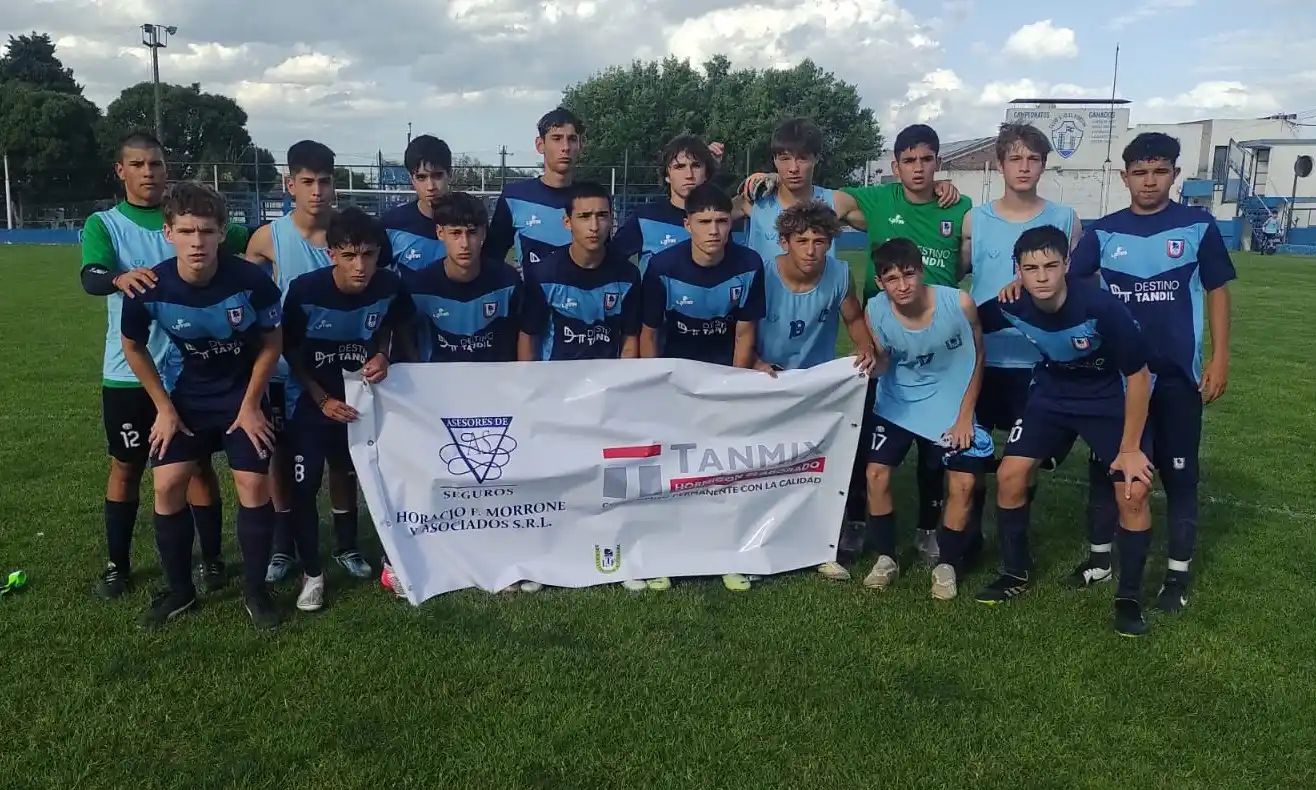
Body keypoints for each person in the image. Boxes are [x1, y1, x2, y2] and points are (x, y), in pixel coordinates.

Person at [1068, 132, 1236, 612]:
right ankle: (1100, 560)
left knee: (1180, 477)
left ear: (1174, 175)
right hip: (1119, 381)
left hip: (1178, 378)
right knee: (1108, 470)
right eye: (1140, 172)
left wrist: (1220, 357)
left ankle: (1177, 576)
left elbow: (1218, 291)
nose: (1149, 181)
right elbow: (1073, 286)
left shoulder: (1198, 225)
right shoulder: (1103, 231)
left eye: (1160, 171)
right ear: (1124, 177)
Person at [79, 131, 247, 600]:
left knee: (196, 469)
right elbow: (91, 277)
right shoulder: (105, 224)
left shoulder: (191, 218)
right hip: (129, 369)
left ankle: (211, 560)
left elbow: (247, 239)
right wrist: (118, 276)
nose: (148, 173)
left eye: (155, 164)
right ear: (121, 170)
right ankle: (118, 565)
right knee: (127, 466)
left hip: (189, 371)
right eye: (137, 165)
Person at [118, 182, 284, 630]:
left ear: (221, 233)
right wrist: (164, 409)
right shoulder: (149, 287)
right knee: (167, 484)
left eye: (206, 231)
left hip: (240, 395)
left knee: (253, 483)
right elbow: (132, 346)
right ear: (169, 232)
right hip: (187, 397)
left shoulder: (251, 280)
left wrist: (252, 404)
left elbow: (272, 341)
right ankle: (179, 590)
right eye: (187, 231)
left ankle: (255, 589)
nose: (197, 242)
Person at [977, 225, 1155, 637]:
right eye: (1030, 268)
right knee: (1009, 475)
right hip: (1051, 395)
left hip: (1107, 399)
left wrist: (1129, 448)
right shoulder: (1011, 303)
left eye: (1050, 266)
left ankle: (1128, 598)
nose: (1041, 276)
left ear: (1067, 266)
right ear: (1017, 271)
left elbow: (1140, 376)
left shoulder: (1101, 308)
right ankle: (1015, 572)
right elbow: (966, 317)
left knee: (1132, 490)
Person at [836, 124, 972, 568]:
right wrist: (774, 180)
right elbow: (817, 201)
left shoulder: (961, 208)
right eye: (909, 160)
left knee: (936, 453)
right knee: (868, 442)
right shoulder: (875, 201)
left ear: (938, 162)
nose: (918, 168)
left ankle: (929, 529)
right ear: (894, 167)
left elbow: (975, 256)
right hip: (886, 345)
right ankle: (858, 521)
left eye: (927, 159)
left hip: (942, 350)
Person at [246, 141, 371, 584]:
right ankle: (284, 547)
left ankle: (346, 544)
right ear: (289, 184)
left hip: (344, 371)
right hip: (287, 370)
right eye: (307, 182)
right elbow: (251, 294)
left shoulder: (350, 235)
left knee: (344, 461)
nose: (317, 191)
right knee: (283, 458)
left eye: (324, 182)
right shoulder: (267, 237)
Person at [395, 190, 529, 593]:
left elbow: (522, 335)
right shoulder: (418, 285)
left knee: (500, 479)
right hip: (439, 400)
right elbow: (402, 334)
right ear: (440, 234)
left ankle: (501, 557)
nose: (464, 243)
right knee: (441, 478)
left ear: (485, 234)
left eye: (472, 233)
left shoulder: (507, 281)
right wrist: (417, 380)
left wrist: (522, 385)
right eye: (455, 233)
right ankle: (435, 554)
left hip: (497, 398)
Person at [281, 207, 414, 612]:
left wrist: (382, 356)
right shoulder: (305, 290)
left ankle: (349, 547)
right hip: (314, 401)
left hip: (362, 400)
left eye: (369, 255)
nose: (361, 266)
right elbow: (290, 349)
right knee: (304, 485)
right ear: (332, 253)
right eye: (351, 255)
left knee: (359, 473)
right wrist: (322, 399)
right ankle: (312, 574)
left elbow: (391, 328)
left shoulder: (390, 286)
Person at [639, 183, 766, 592]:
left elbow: (746, 333)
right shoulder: (662, 266)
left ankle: (726, 554)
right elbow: (649, 333)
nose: (714, 230)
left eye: (722, 221)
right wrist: (654, 384)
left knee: (723, 470)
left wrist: (735, 384)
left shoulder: (749, 263)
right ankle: (662, 556)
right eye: (705, 222)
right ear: (687, 224)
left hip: (722, 378)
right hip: (674, 382)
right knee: (669, 469)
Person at [963, 122, 1083, 537]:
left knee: (1024, 460)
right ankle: (969, 535)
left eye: (1033, 159)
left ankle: (1016, 535)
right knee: (971, 455)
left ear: (1044, 165)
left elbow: (1082, 289)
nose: (1024, 167)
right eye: (1015, 158)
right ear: (1000, 164)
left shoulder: (1066, 220)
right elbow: (951, 280)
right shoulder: (974, 219)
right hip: (981, 360)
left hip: (1037, 362)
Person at [750, 201, 879, 582]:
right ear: (784, 241)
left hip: (816, 385)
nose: (811, 249)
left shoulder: (839, 274)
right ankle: (758, 544)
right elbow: (740, 327)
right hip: (767, 381)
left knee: (820, 469)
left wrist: (866, 349)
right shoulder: (762, 273)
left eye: (819, 240)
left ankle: (822, 547)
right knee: (766, 467)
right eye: (802, 240)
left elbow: (854, 318)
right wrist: (755, 362)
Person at [860, 238, 992, 599]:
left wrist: (965, 416)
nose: (902, 286)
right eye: (891, 279)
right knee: (875, 474)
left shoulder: (958, 303)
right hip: (899, 400)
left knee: (963, 484)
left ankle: (946, 562)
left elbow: (978, 357)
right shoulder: (874, 311)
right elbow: (885, 361)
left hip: (952, 402)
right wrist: (873, 365)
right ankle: (886, 557)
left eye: (909, 275)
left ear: (922, 272)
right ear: (880, 281)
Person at [518, 181, 641, 362]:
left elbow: (630, 339)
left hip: (606, 384)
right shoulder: (543, 275)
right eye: (584, 216)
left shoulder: (628, 275)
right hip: (557, 384)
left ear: (611, 220)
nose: (594, 226)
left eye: (602, 216)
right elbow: (528, 337)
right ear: (567, 222)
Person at [486, 107, 583, 269]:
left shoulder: (592, 200)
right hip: (531, 295)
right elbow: (491, 259)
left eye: (572, 139)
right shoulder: (514, 197)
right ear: (540, 145)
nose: (565, 147)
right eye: (557, 138)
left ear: (580, 145)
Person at [611, 134, 722, 272]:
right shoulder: (645, 218)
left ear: (706, 174)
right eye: (679, 166)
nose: (689, 174)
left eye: (696, 165)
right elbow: (610, 261)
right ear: (667, 175)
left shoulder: (718, 220)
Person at [380, 134, 451, 270]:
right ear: (412, 179)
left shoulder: (467, 224)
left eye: (437, 175)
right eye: (421, 177)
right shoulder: (391, 225)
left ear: (450, 174)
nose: (430, 186)